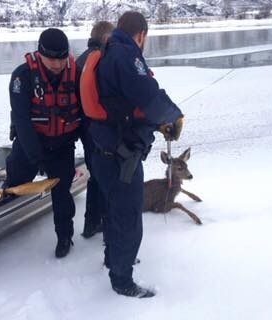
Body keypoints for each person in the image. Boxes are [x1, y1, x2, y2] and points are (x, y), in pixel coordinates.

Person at [80, 11, 184, 298]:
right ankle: (122, 280)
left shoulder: (110, 52)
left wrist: (156, 121)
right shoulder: (127, 56)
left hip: (105, 151)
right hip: (120, 157)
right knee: (128, 218)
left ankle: (115, 258)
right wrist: (173, 117)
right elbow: (149, 98)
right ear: (141, 35)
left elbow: (125, 106)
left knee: (115, 210)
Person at [4, 28, 81, 258]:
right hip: (31, 142)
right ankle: (7, 203)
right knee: (16, 176)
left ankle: (65, 236)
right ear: (39, 54)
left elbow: (85, 116)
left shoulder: (76, 75)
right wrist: (37, 159)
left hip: (62, 145)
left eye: (62, 58)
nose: (58, 64)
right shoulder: (22, 77)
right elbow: (22, 121)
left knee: (61, 193)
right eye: (52, 59)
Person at [76, 21, 114, 239]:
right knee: (105, 178)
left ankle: (91, 223)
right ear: (107, 38)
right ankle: (107, 230)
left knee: (96, 176)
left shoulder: (81, 59)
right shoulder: (101, 59)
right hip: (98, 129)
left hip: (84, 128)